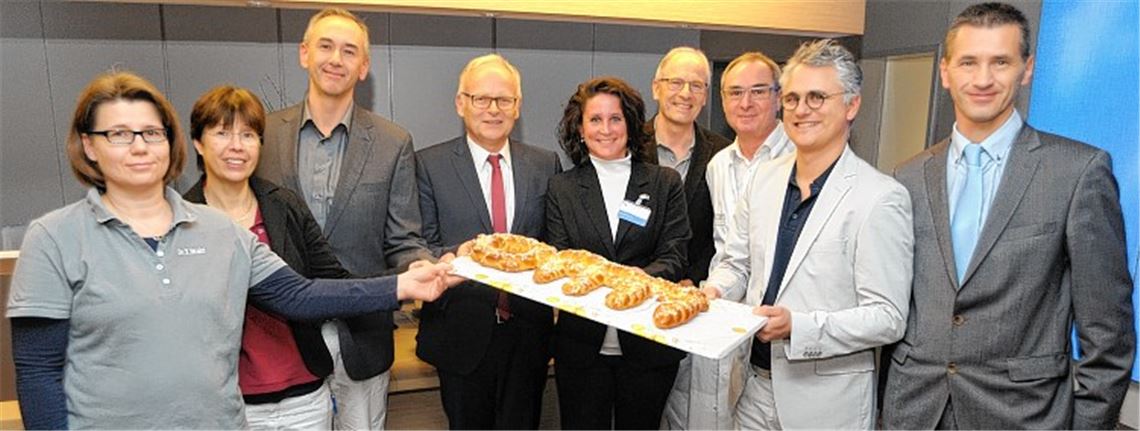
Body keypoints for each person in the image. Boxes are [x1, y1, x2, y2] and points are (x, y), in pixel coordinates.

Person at [5, 71, 455, 429]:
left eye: (152, 133)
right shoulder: (54, 238)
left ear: (171, 142)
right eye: (119, 134)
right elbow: (39, 370)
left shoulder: (221, 231)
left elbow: (301, 295)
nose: (140, 146)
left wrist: (405, 284)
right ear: (88, 145)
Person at [882, 3, 1135, 429]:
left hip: (1023, 415)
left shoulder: (1077, 172)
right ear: (945, 72)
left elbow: (1108, 331)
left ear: (1027, 69)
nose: (982, 79)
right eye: (968, 62)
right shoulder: (907, 176)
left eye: (1000, 62)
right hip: (915, 411)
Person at [704, 39, 913, 429]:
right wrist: (713, 292)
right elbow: (737, 264)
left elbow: (887, 317)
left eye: (817, 97)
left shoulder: (880, 197)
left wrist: (799, 327)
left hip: (825, 405)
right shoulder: (763, 179)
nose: (801, 110)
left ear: (851, 105)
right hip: (751, 389)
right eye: (793, 98)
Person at [256, 8, 433, 429]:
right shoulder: (262, 135)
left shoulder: (393, 143)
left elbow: (403, 240)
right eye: (326, 46)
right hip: (282, 341)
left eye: (349, 51)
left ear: (364, 66)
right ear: (304, 53)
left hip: (362, 339)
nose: (336, 59)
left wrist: (422, 267)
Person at [182, 85, 351, 429]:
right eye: (222, 133)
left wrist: (406, 280)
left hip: (305, 399)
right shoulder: (180, 221)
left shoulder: (283, 205)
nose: (237, 146)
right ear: (198, 142)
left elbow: (332, 281)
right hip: (227, 403)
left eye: (248, 134)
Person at [414, 54, 562, 429]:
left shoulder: (545, 164)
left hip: (528, 335)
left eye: (504, 99)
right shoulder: (428, 165)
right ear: (460, 103)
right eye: (481, 98)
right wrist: (457, 258)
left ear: (518, 106)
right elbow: (419, 243)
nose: (493, 109)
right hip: (460, 334)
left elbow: (553, 246)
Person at [546, 76, 691, 430]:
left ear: (630, 124)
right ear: (580, 129)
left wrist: (640, 279)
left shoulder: (664, 182)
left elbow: (675, 254)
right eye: (595, 119)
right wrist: (607, 280)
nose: (606, 129)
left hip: (649, 344)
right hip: (582, 348)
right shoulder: (562, 188)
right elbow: (562, 259)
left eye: (616, 118)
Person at [664, 51, 795, 430]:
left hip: (778, 333)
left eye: (758, 91)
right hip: (722, 318)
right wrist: (710, 292)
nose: (746, 103)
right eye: (735, 92)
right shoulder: (718, 165)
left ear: (779, 97)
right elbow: (728, 252)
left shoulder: (801, 158)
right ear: (721, 100)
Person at [648, 46, 731, 287]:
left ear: (705, 96)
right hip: (637, 287)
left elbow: (725, 233)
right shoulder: (627, 147)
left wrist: (695, 279)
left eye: (696, 86)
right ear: (656, 88)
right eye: (676, 83)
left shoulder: (724, 154)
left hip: (697, 291)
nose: (686, 94)